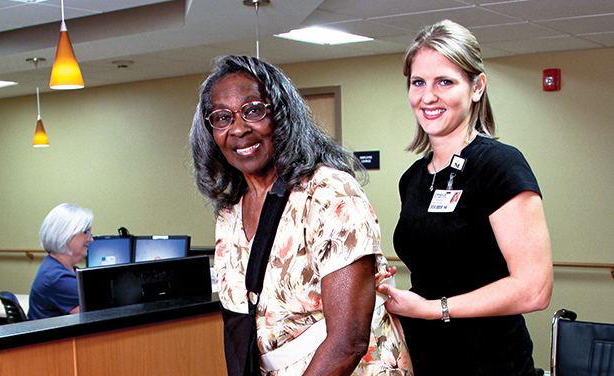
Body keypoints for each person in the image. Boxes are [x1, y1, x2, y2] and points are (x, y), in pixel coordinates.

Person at [190, 55, 411, 376]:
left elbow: (348, 341)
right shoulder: (230, 209)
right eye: (222, 118)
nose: (238, 128)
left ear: (281, 115)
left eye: (253, 111)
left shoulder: (328, 193)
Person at [376, 20, 553, 376]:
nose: (428, 96)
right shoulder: (413, 179)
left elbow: (534, 289)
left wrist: (431, 309)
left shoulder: (499, 165)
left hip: (492, 364)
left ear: (477, 87)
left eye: (445, 82)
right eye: (418, 82)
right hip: (426, 359)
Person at [28, 203, 94, 320]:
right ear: (65, 234)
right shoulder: (58, 278)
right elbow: (98, 314)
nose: (90, 239)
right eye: (85, 233)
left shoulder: (56, 267)